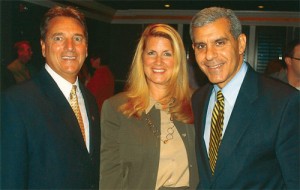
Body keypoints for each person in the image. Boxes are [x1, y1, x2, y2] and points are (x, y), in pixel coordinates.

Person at [190, 7, 299, 189]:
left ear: (241, 43)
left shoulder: (284, 102)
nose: (209, 55)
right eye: (201, 46)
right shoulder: (199, 99)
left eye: (219, 43)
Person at [1, 6, 100, 189]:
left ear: (86, 48)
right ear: (44, 47)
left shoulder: (91, 102)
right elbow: (9, 180)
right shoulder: (16, 102)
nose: (70, 47)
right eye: (58, 38)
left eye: (77, 38)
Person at [100, 24, 199, 190]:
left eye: (167, 54)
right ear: (142, 58)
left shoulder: (198, 102)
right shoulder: (116, 108)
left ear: (178, 61)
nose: (158, 61)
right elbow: (109, 174)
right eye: (151, 53)